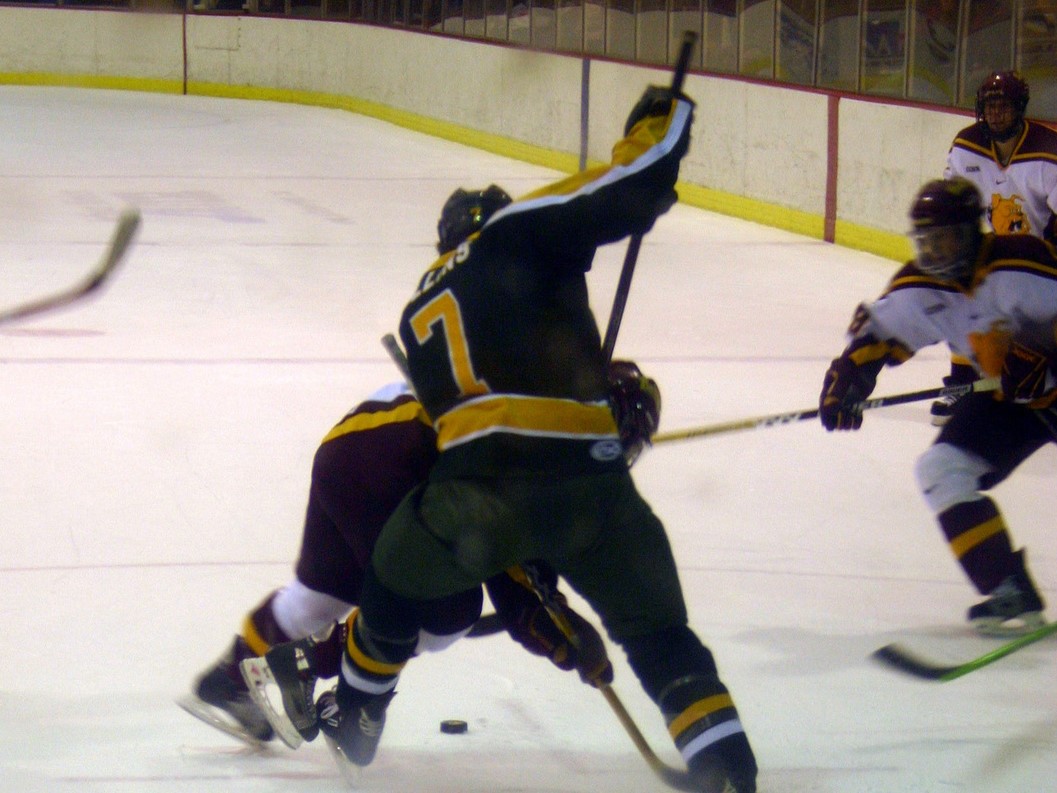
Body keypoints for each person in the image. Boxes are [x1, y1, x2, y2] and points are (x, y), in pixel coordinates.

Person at [265, 85, 758, 793]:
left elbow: (481, 468)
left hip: (479, 490)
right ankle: (726, 767)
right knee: (659, 637)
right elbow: (627, 188)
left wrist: (539, 603)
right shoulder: (520, 230)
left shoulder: (417, 309)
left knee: (392, 584)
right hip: (594, 482)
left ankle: (359, 717)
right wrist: (662, 123)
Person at [180, 366, 659, 746]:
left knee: (319, 595)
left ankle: (230, 677)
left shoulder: (536, 394)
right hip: (393, 468)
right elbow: (513, 574)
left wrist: (558, 625)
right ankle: (311, 668)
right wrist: (561, 636)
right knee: (447, 609)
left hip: (346, 447)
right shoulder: (543, 452)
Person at [820, 176, 1052, 637]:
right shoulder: (920, 286)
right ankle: (1008, 587)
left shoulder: (1023, 264)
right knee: (943, 468)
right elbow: (878, 334)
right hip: (1010, 402)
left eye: (944, 239)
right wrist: (847, 380)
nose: (934, 253)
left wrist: (1045, 355)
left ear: (971, 233)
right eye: (925, 242)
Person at [929, 70, 1057, 425]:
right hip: (1003, 256)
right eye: (990, 107)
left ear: (1020, 108)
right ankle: (961, 382)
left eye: (1004, 107)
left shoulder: (1049, 151)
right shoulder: (966, 146)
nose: (996, 114)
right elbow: (954, 206)